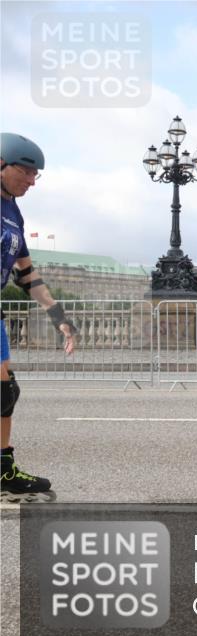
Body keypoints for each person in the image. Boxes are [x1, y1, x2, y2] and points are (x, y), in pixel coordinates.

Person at [1, 132, 77, 502]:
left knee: (6, 392)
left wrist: (58, 316)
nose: (32, 181)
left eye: (36, 175)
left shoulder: (13, 211)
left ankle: (3, 470)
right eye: (27, 172)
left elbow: (26, 274)